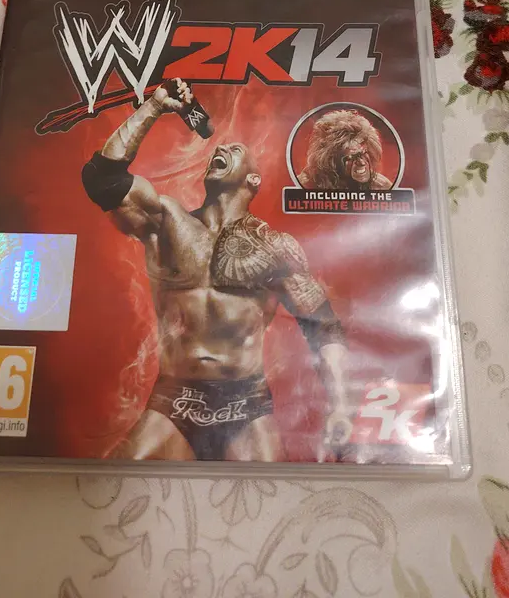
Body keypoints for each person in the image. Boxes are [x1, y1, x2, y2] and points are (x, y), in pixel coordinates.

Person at [82, 79, 351, 462]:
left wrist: (341, 406)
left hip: (246, 404)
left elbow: (324, 328)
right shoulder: (165, 220)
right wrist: (155, 106)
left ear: (253, 180)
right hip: (173, 400)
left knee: (269, 493)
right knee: (120, 483)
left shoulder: (276, 246)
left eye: (234, 149)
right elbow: (103, 178)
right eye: (218, 149)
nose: (220, 149)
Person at [299, 108, 394, 191]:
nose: (361, 162)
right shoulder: (306, 185)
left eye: (364, 153)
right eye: (351, 157)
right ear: (331, 161)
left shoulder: (381, 186)